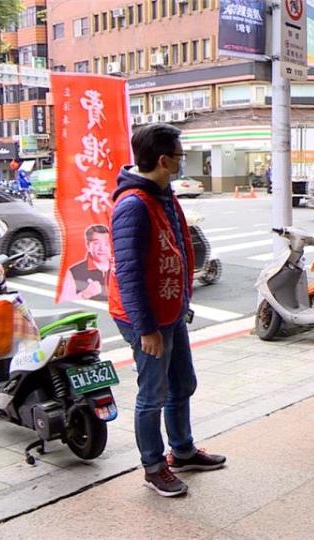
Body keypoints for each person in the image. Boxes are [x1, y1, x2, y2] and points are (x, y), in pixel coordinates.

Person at [107, 124, 226, 498]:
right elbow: (128, 274)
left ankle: (183, 450)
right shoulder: (133, 206)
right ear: (163, 160)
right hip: (145, 318)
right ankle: (153, 466)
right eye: (179, 155)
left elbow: (176, 250)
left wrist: (182, 304)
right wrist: (146, 329)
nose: (181, 161)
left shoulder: (163, 194)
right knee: (152, 393)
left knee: (183, 383)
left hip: (170, 309)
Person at [58, 224, 111, 302]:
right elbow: (65, 304)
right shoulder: (74, 272)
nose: (102, 248)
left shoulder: (121, 267)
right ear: (88, 245)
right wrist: (85, 294)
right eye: (96, 243)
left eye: (107, 244)